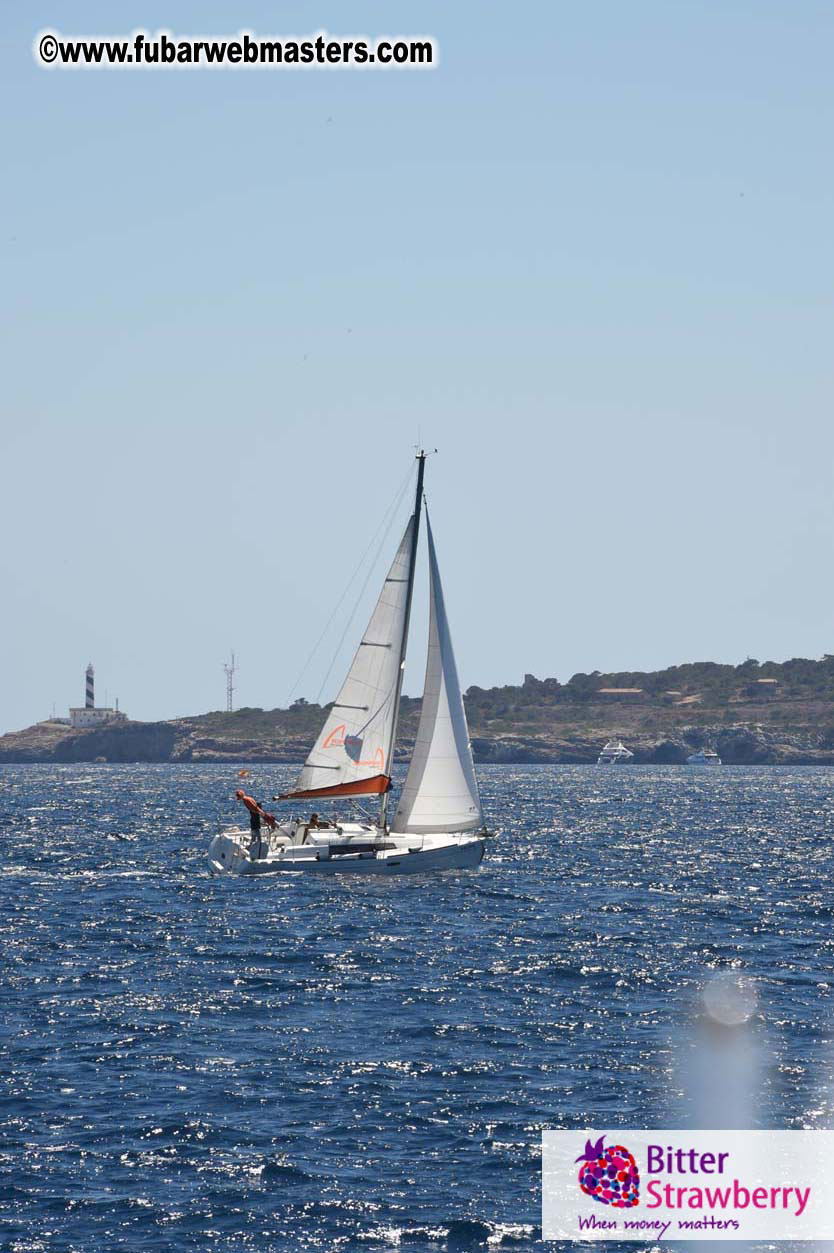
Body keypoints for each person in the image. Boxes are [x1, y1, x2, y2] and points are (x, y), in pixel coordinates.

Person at [235, 789, 276, 858]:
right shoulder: (248, 798)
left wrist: (263, 815)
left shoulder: (246, 800)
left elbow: (255, 808)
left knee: (255, 831)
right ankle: (253, 845)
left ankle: (257, 846)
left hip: (255, 815)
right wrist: (263, 814)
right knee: (254, 832)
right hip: (255, 814)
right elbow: (256, 807)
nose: (238, 797)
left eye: (238, 795)